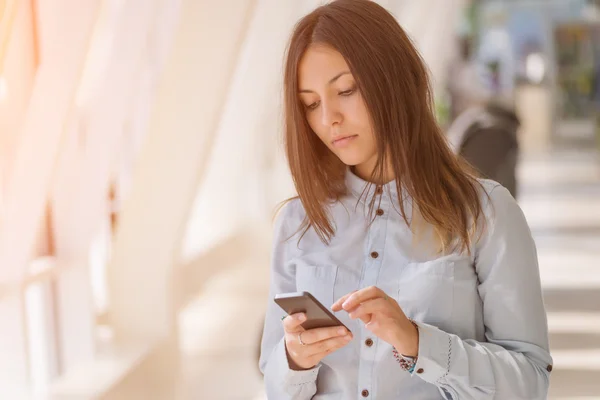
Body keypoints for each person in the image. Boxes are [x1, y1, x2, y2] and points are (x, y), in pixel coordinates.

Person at [258, 1, 552, 399]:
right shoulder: (297, 222)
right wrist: (295, 359)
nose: (329, 118)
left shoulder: (486, 213)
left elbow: (530, 382)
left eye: (346, 90)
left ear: (395, 79)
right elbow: (275, 388)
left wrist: (419, 344)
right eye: (310, 104)